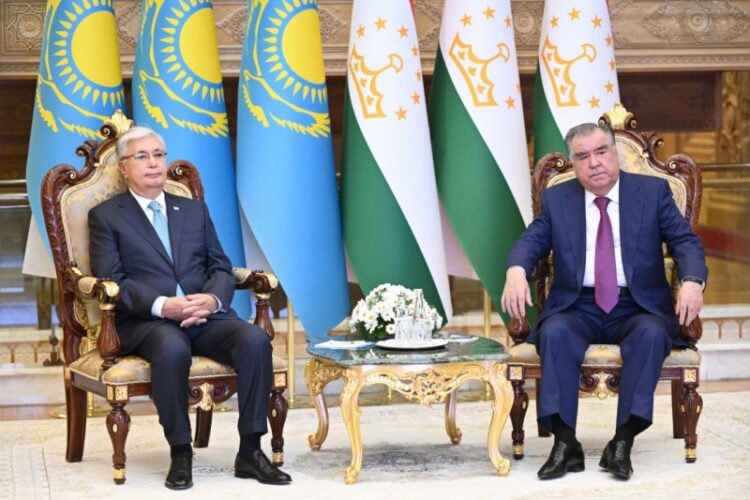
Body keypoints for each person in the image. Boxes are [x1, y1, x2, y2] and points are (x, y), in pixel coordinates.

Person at [501, 122, 707, 480]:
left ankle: (622, 441)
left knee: (651, 334)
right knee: (554, 333)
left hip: (637, 305)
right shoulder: (557, 199)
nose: (594, 162)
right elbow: (531, 240)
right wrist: (516, 269)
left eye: (601, 152)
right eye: (582, 156)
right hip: (578, 305)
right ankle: (565, 443)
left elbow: (685, 242)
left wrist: (692, 280)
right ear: (574, 162)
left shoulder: (652, 192)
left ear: (615, 153)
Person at [89, 126, 291, 489]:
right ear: (123, 167)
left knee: (254, 341)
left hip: (205, 315)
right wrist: (163, 305)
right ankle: (180, 451)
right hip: (149, 321)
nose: (154, 164)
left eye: (159, 155)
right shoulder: (106, 216)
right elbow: (112, 279)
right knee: (172, 350)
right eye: (142, 156)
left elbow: (221, 267)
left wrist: (212, 300)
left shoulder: (193, 210)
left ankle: (250, 450)